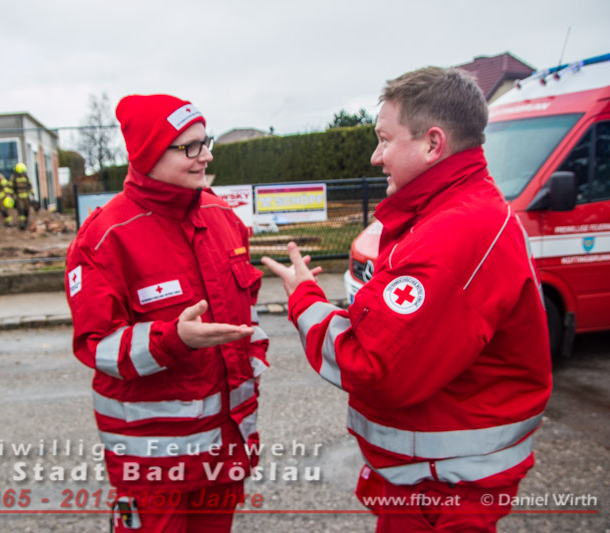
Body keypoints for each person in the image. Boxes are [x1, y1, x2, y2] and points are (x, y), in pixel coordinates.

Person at [263, 67, 552, 532]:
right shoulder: (453, 211)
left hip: (444, 488)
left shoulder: (453, 231)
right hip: (439, 476)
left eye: (384, 139)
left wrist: (304, 299)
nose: (376, 156)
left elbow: (374, 365)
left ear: (433, 143)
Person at [65, 94, 269, 532]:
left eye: (205, 142)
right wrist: (173, 340)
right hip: (153, 461)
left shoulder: (223, 217)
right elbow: (98, 347)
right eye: (190, 146)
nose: (206, 155)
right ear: (149, 154)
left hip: (225, 449)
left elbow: (245, 318)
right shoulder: (103, 238)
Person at [9, 162, 32, 229]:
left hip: (26, 196)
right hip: (18, 197)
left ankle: (26, 222)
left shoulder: (26, 176)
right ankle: (21, 224)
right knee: (20, 210)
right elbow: (10, 187)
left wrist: (32, 193)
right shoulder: (14, 177)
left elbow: (29, 185)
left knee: (26, 209)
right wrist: (13, 195)